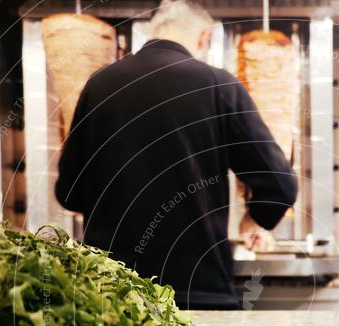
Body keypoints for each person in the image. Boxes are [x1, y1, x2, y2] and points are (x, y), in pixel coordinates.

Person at [55, 0, 297, 309]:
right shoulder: (218, 85)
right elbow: (280, 185)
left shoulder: (99, 85)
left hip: (112, 297)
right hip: (198, 294)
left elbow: (70, 193)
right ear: (203, 38)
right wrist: (254, 218)